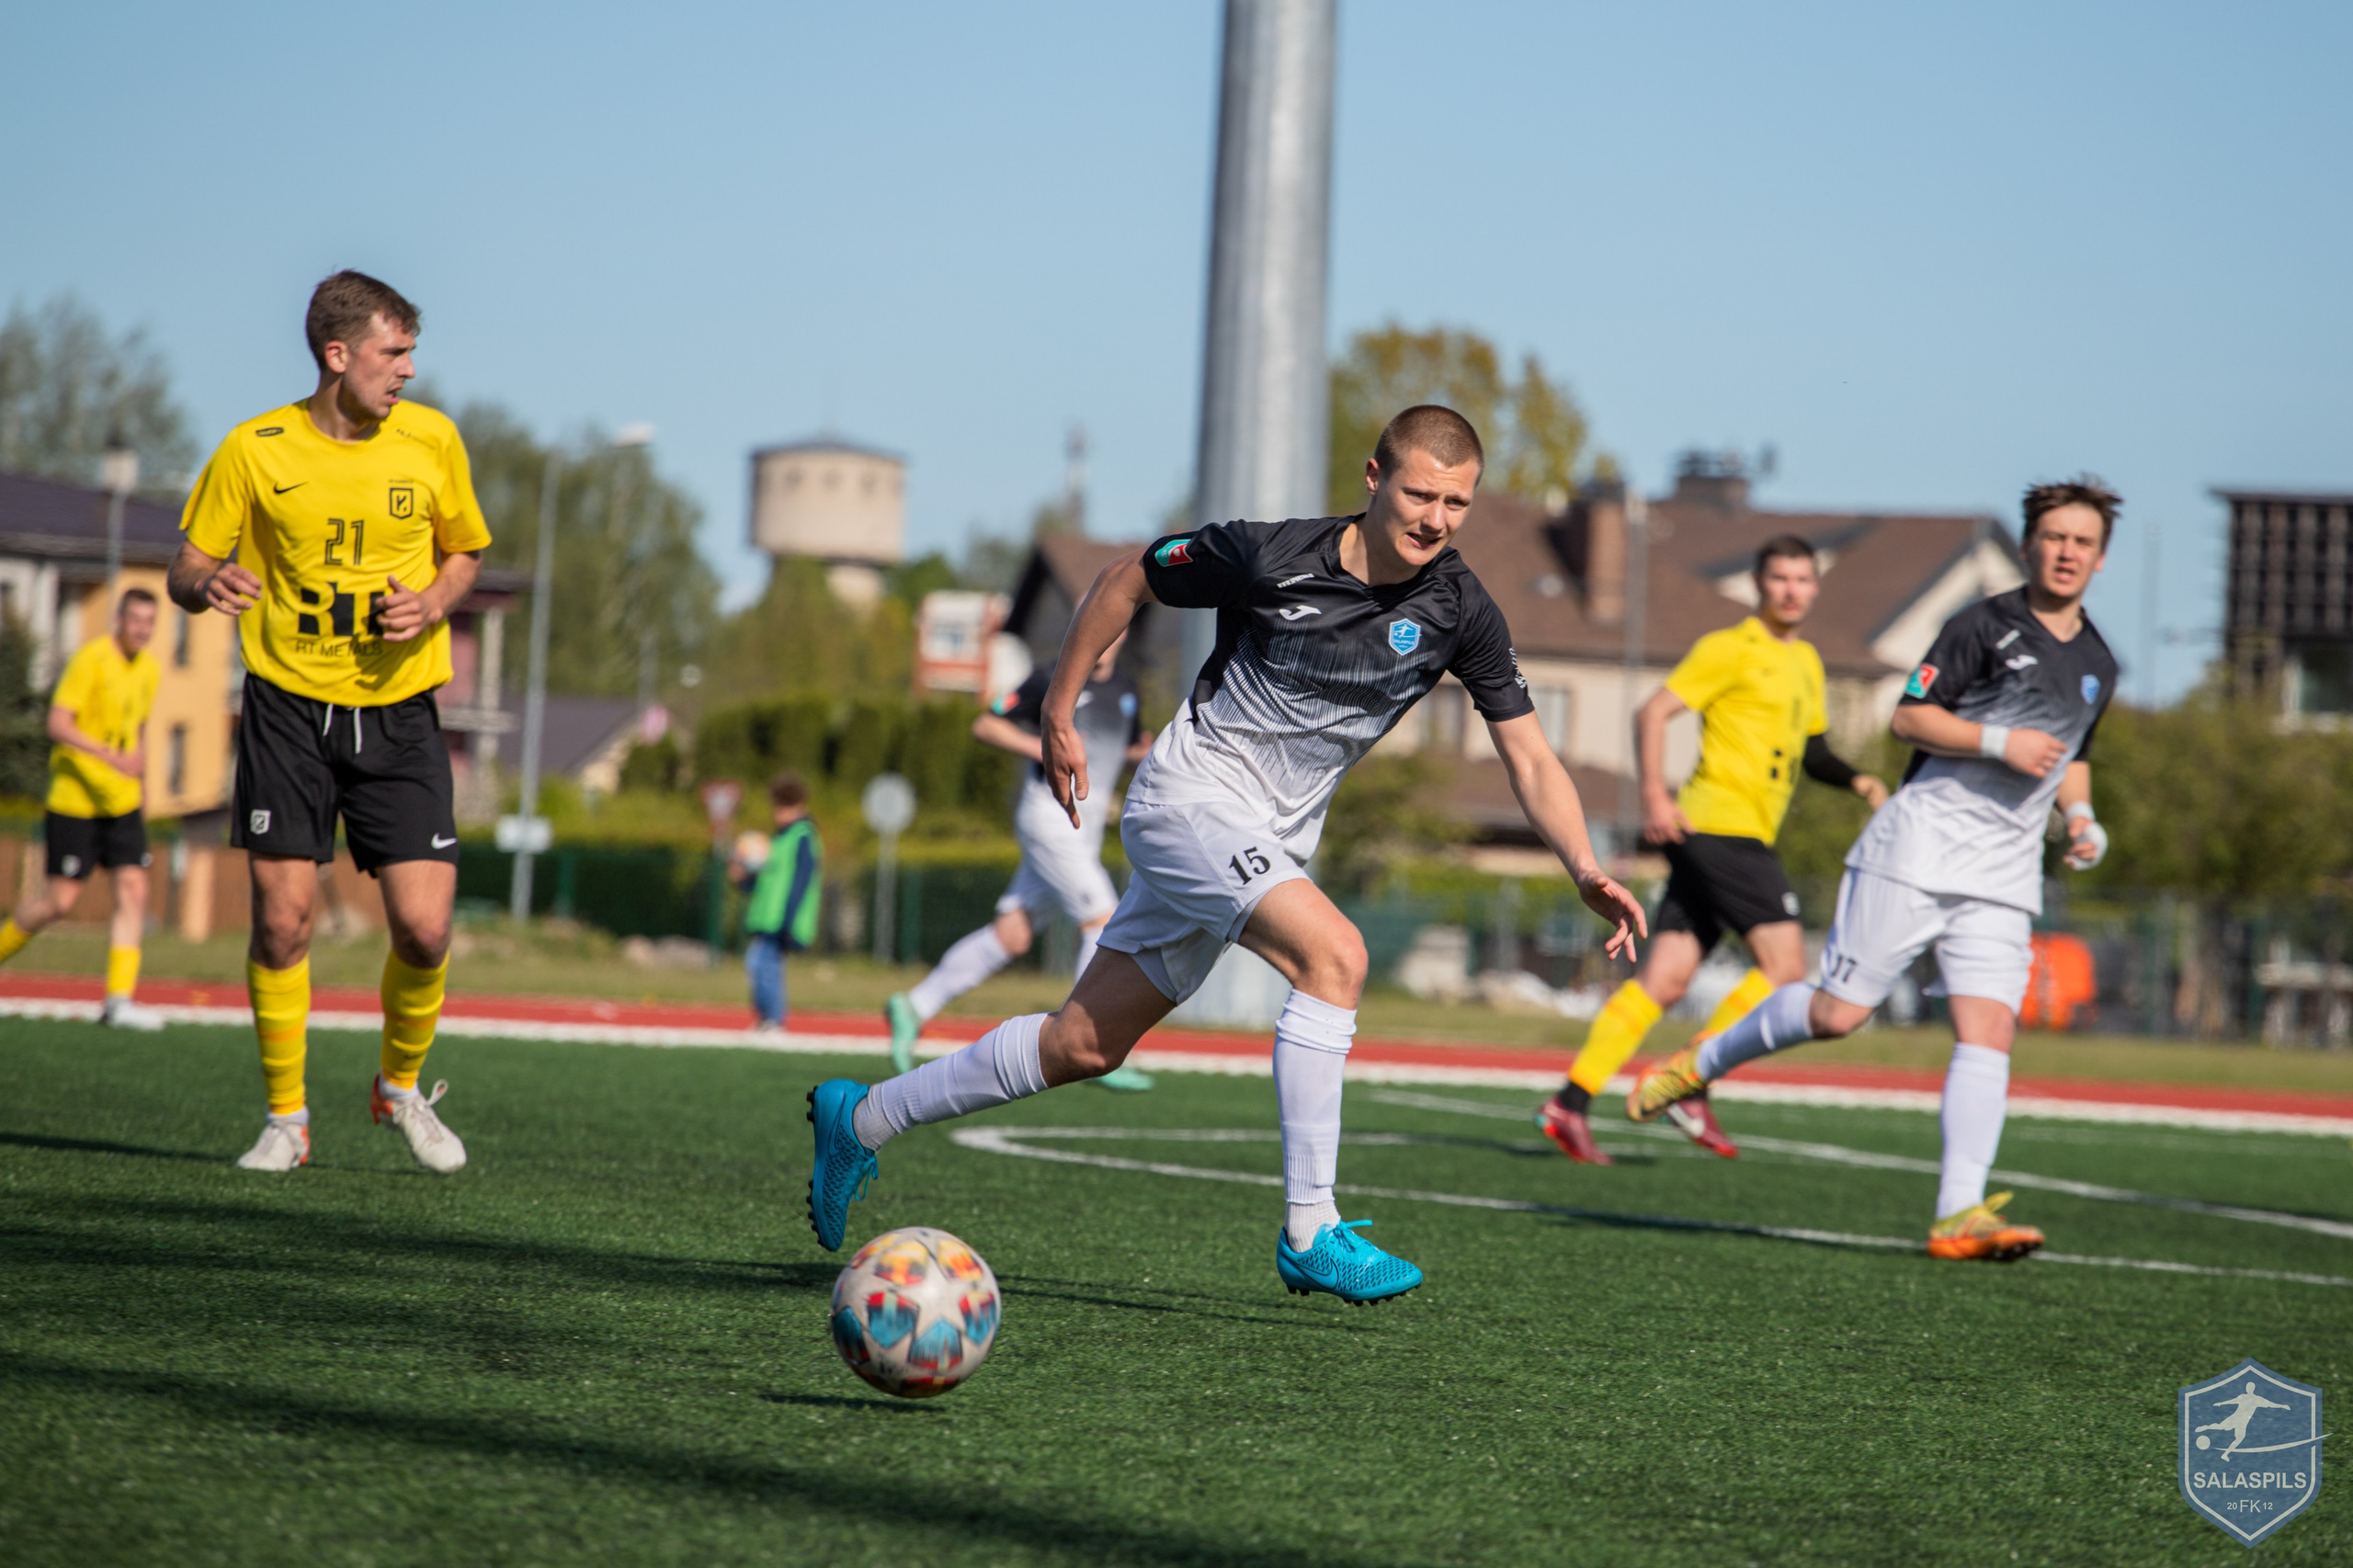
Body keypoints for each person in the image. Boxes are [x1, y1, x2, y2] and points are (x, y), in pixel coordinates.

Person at [806, 405, 1645, 1303]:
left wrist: (1581, 865)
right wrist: (1056, 706)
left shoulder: (1461, 610)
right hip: (1188, 806)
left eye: (1457, 502)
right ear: (1373, 478)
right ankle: (1310, 1226)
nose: (1435, 517)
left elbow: (1527, 750)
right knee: (1336, 955)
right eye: (1419, 492)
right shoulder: (1267, 554)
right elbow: (1125, 575)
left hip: (1263, 842)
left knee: (1083, 1043)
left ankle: (861, 1115)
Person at [1629, 478, 2120, 1262]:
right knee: (1836, 1016)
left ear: (2101, 559)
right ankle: (1700, 1063)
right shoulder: (1983, 625)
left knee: (1989, 1028)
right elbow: (1908, 717)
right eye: (2055, 537)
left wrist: (2083, 819)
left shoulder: (2098, 662)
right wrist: (1998, 743)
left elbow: (2075, 757)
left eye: (2083, 543)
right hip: (1919, 850)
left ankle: (1958, 1214)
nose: (2067, 553)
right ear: (2029, 545)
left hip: (2003, 872)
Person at [167, 269, 488, 1175]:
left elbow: (465, 553)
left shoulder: (433, 441)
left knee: (424, 930)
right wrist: (207, 585)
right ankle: (285, 1118)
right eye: (394, 353)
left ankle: (399, 1085)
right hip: (286, 709)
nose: (409, 372)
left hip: (400, 712)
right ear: (337, 355)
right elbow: (186, 567)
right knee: (283, 922)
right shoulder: (254, 449)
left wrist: (431, 601)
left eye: (412, 353)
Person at [1538, 537, 1886, 1164]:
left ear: (1814, 587)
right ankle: (1691, 1077)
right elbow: (1653, 713)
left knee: (1666, 980)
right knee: (1783, 969)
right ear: (1758, 584)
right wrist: (1652, 796)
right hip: (1720, 828)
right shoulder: (1728, 648)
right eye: (1780, 578)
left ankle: (1571, 1101)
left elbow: (1814, 752)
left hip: (1733, 835)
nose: (1791, 589)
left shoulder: (1806, 660)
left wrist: (1860, 780)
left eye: (1803, 579)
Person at [884, 630, 1155, 1088]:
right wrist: (1042, 746)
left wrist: (1147, 755)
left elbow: (1122, 750)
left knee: (1011, 936)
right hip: (1048, 817)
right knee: (1103, 919)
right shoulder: (1055, 675)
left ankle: (914, 1005)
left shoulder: (1126, 686)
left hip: (1082, 830)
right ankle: (1087, 1041)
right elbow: (985, 724)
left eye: (1121, 624)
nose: (1109, 635)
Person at [0, 587, 167, 1029]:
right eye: (135, 620)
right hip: (75, 801)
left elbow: (140, 731)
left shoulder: (149, 668)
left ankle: (118, 1000)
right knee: (59, 902)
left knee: (134, 889)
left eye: (149, 622)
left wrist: (142, 787)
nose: (142, 629)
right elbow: (58, 723)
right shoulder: (91, 659)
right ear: (119, 618)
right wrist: (108, 757)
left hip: (123, 802)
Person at [736, 772, 822, 1036]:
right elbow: (764, 881)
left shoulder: (803, 837)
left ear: (797, 807)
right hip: (765, 916)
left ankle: (774, 1019)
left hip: (782, 919)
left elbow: (802, 882)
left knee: (766, 967)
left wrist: (790, 920)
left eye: (783, 807)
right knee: (757, 965)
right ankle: (766, 1019)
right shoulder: (776, 839)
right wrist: (741, 879)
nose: (778, 813)